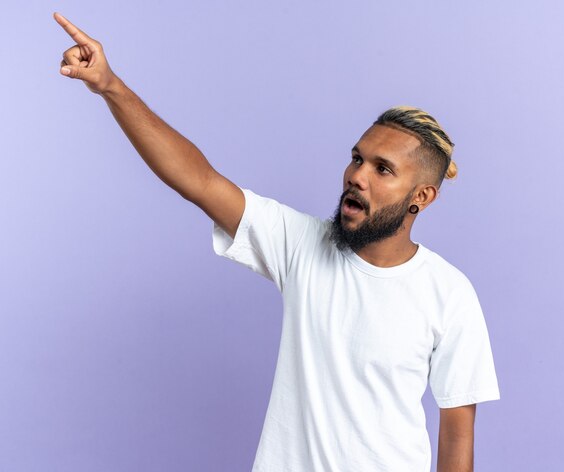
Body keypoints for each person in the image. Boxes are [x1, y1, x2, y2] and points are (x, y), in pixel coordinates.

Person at [54, 12, 500, 472]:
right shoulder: (302, 244)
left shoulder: (449, 294)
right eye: (356, 158)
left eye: (382, 169)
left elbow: (457, 434)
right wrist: (110, 85)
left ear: (421, 197)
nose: (356, 177)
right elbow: (200, 181)